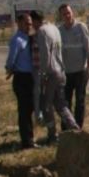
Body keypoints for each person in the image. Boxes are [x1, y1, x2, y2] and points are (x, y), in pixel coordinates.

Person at [34, 10, 79, 142]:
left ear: (36, 20)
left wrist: (43, 74)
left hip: (51, 72)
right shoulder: (54, 28)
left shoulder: (42, 31)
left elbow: (45, 55)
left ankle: (52, 134)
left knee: (46, 105)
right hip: (61, 71)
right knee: (61, 104)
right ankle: (75, 128)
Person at [58, 4, 89, 128]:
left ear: (72, 12)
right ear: (61, 16)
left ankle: (78, 128)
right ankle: (67, 129)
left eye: (69, 12)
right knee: (65, 102)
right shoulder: (59, 31)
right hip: (66, 74)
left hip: (80, 72)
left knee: (80, 101)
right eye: (64, 14)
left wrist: (88, 69)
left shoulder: (81, 27)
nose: (67, 15)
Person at [5, 13, 36, 149]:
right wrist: (10, 70)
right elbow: (11, 60)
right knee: (24, 111)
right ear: (19, 23)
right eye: (26, 23)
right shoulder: (17, 40)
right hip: (21, 79)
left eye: (30, 23)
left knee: (30, 109)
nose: (29, 25)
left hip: (30, 78)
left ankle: (30, 137)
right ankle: (27, 141)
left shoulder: (28, 38)